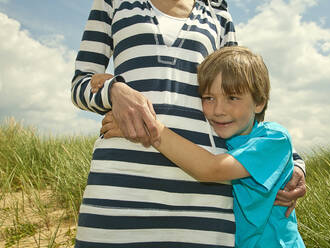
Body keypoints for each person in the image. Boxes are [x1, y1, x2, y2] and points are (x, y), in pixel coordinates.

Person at [72, 0, 306, 247]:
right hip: (121, 181)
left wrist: (294, 165)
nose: (217, 106)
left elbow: (238, 91)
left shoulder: (218, 11)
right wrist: (114, 91)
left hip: (204, 196)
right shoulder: (112, 2)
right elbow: (80, 84)